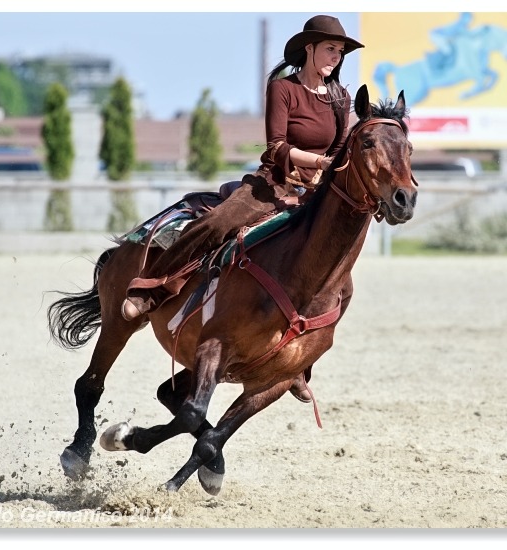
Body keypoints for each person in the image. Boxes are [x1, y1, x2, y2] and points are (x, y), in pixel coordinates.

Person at [121, 15, 364, 401]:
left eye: (341, 51)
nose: (336, 56)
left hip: (316, 194)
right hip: (273, 183)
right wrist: (317, 166)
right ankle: (150, 288)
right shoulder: (282, 88)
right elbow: (277, 146)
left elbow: (337, 150)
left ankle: (299, 362)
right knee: (218, 222)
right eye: (331, 48)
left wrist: (326, 174)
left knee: (343, 287)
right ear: (309, 49)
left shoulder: (340, 98)